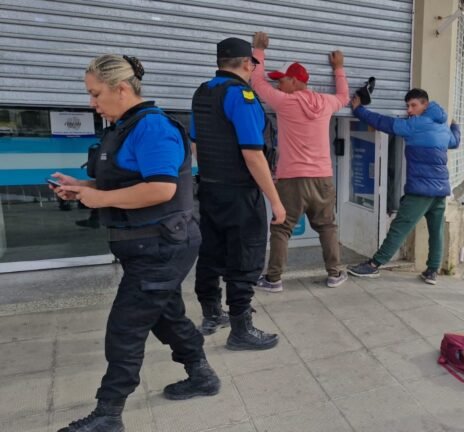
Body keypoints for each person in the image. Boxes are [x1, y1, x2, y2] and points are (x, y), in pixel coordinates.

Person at [52, 54, 219, 432]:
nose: (91, 103)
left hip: (161, 245)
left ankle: (109, 414)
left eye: (95, 94)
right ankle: (202, 375)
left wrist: (102, 199)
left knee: (125, 328)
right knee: (166, 315)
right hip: (146, 245)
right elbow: (128, 181)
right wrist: (83, 187)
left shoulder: (153, 128)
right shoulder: (124, 126)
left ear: (121, 89)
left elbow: (161, 188)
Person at [190, 37, 284, 349]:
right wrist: (275, 200)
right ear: (247, 63)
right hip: (240, 194)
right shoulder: (241, 96)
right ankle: (241, 330)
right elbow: (253, 155)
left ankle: (212, 314)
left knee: (211, 253)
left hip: (211, 189)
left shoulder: (203, 92)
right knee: (245, 258)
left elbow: (195, 145)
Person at [250, 31, 349, 291]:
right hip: (322, 177)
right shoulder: (326, 103)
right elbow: (344, 97)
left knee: (282, 229)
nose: (278, 85)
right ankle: (335, 274)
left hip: (291, 179)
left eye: (281, 81)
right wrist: (339, 68)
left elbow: (257, 83)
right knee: (327, 226)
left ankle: (273, 280)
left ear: (294, 81)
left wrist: (258, 50)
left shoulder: (284, 102)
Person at [347, 89, 460, 284]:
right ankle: (432, 271)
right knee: (436, 230)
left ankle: (374, 265)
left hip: (420, 191)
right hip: (440, 191)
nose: (409, 110)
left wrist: (359, 110)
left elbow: (383, 123)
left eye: (413, 105)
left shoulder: (415, 125)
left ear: (425, 104)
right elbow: (455, 142)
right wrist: (455, 126)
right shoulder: (442, 128)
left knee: (399, 228)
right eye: (407, 106)